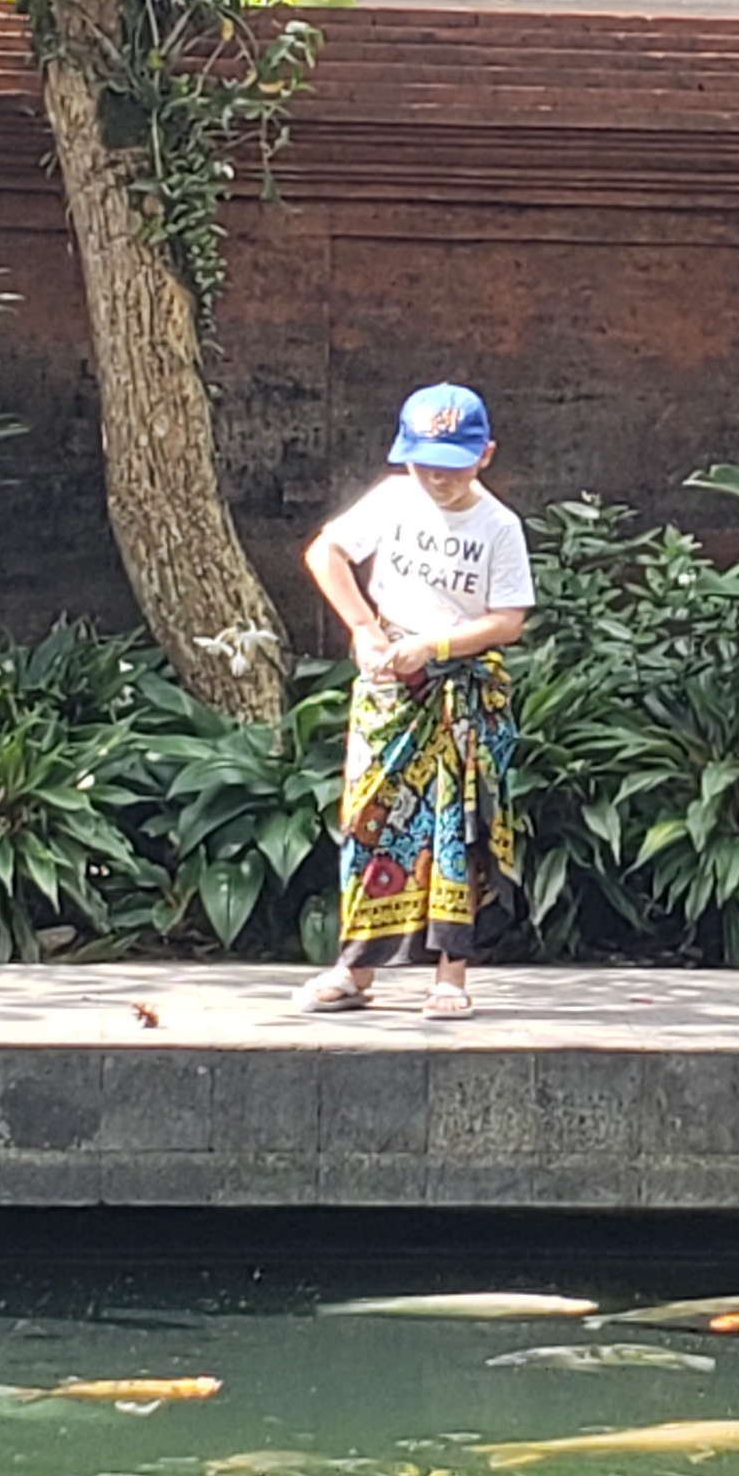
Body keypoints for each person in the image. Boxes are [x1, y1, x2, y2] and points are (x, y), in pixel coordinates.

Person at [296, 384, 534, 1020]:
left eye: (454, 466)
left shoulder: (498, 525)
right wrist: (365, 628)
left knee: (454, 825)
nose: (438, 478)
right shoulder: (395, 498)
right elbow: (326, 552)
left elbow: (509, 620)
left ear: (484, 455)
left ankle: (451, 975)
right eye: (426, 463)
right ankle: (356, 970)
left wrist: (437, 645)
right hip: (389, 683)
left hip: (461, 690)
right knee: (372, 818)